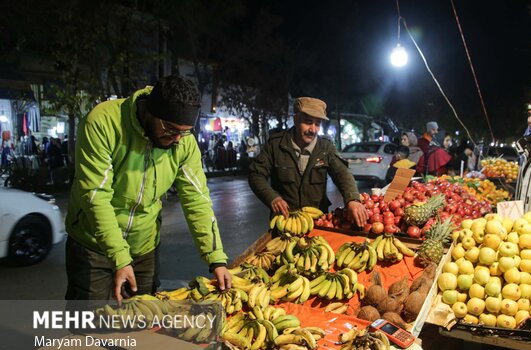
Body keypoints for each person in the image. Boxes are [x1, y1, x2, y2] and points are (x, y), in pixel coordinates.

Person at [65, 75, 232, 304]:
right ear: (150, 112)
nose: (176, 139)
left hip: (144, 247)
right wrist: (121, 259)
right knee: (89, 325)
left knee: (141, 325)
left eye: (184, 132)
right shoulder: (103, 123)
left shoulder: (184, 143)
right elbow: (95, 196)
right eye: (171, 130)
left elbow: (197, 199)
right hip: (92, 244)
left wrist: (216, 259)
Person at [248, 97, 368, 227]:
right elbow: (256, 174)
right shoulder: (276, 145)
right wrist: (272, 198)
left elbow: (342, 173)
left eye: (317, 124)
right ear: (296, 120)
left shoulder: (325, 147)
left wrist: (352, 199)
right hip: (285, 221)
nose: (313, 129)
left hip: (318, 222)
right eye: (308, 122)